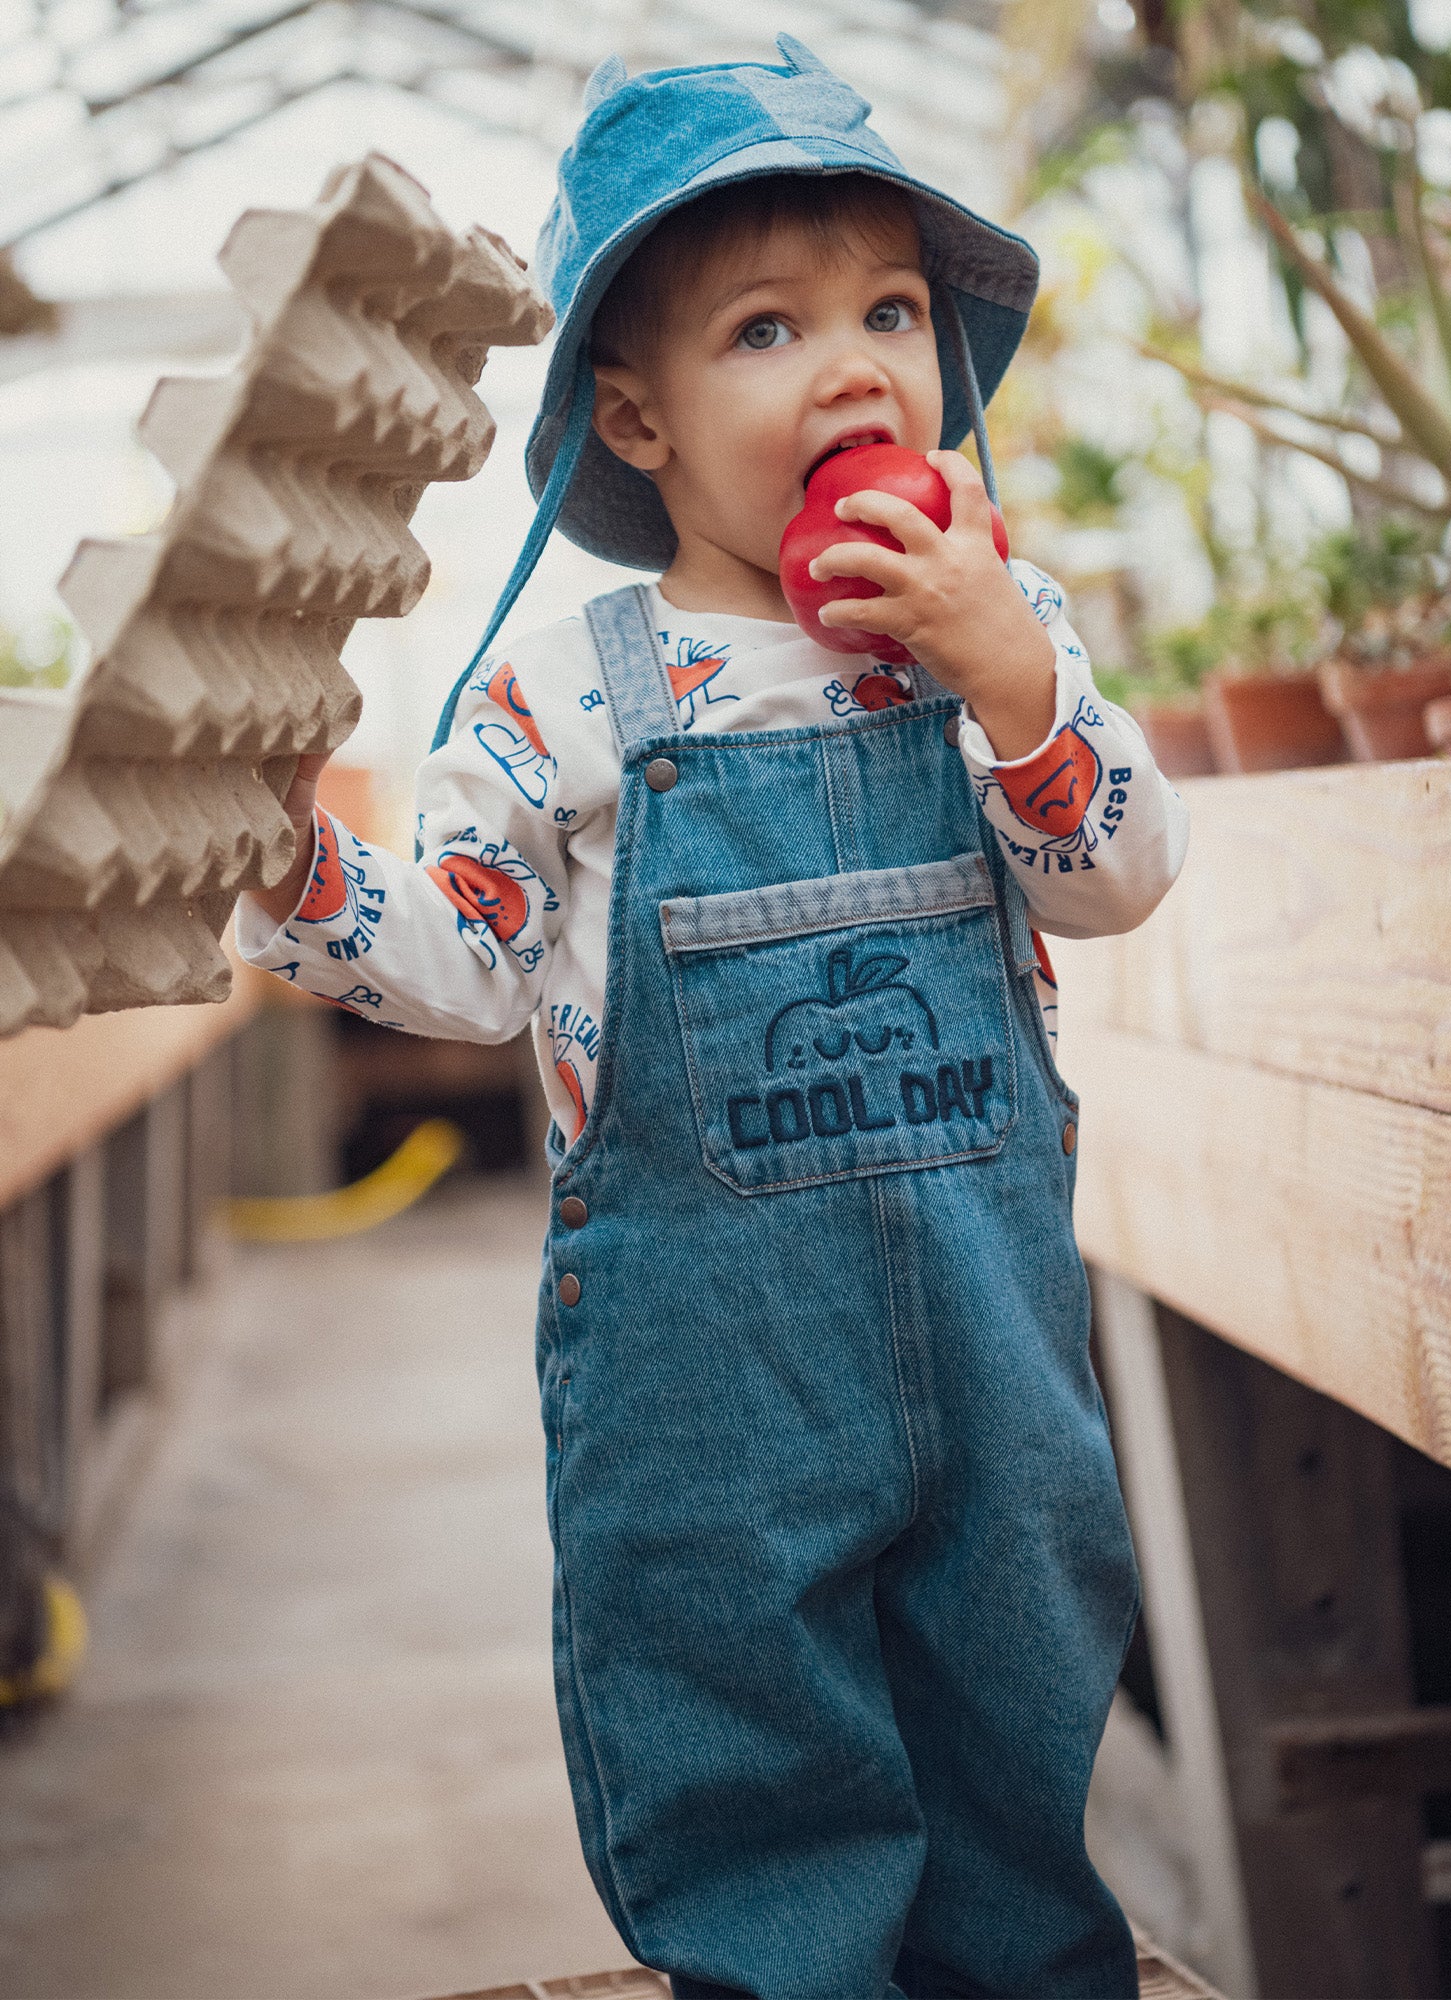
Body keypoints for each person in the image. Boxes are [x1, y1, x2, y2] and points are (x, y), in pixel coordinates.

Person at [240, 37, 1188, 1999]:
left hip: (994, 1347)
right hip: (708, 1390)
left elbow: (1115, 874)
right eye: (768, 328)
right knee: (746, 1738)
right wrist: (297, 862)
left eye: (895, 311)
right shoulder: (573, 696)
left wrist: (1016, 683)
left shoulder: (1002, 635)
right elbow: (462, 955)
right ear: (638, 416)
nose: (856, 367)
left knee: (1017, 1696)